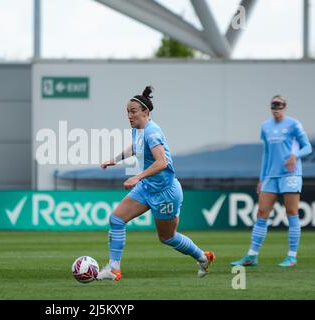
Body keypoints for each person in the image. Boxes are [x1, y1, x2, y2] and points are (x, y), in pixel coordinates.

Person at [96, 86, 215, 281]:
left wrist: (137, 177)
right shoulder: (138, 129)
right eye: (127, 111)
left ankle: (203, 257)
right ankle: (114, 269)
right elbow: (136, 147)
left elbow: (162, 162)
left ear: (146, 112)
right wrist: (115, 159)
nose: (129, 115)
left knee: (167, 237)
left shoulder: (152, 132)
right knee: (116, 220)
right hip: (147, 188)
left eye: (133, 111)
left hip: (165, 192)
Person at [231, 95, 312, 267]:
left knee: (291, 212)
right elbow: (266, 154)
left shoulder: (293, 124)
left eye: (280, 105)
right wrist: (262, 178)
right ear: (270, 107)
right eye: (274, 105)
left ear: (285, 107)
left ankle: (292, 256)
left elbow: (307, 147)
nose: (277, 108)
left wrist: (294, 155)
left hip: (290, 175)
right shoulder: (265, 127)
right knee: (261, 213)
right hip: (271, 176)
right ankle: (252, 256)